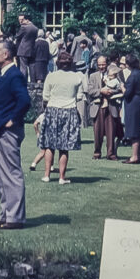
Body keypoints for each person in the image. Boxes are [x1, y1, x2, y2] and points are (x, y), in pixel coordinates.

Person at [0, 40, 31, 230]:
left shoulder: (14, 75)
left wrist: (12, 119)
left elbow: (24, 100)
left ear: (6, 55)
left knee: (11, 173)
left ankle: (15, 217)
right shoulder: (6, 75)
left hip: (7, 130)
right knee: (2, 174)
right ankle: (6, 214)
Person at [38, 51, 86, 184]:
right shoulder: (77, 77)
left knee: (49, 145)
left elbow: (45, 97)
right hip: (69, 111)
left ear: (58, 63)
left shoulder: (51, 76)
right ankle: (61, 177)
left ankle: (47, 175)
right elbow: (80, 97)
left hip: (52, 109)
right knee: (64, 147)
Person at [87, 56, 122, 160]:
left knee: (111, 131)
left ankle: (111, 154)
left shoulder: (114, 74)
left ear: (107, 64)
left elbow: (120, 88)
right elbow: (89, 90)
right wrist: (101, 91)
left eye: (103, 64)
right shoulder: (93, 76)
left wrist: (111, 92)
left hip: (111, 106)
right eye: (99, 65)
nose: (101, 66)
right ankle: (97, 153)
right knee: (97, 132)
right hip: (98, 107)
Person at [121, 54, 140, 164]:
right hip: (138, 101)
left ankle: (134, 156)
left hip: (133, 103)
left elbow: (127, 93)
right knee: (138, 130)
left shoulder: (133, 76)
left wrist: (122, 87)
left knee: (133, 130)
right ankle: (138, 155)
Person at [14, 14, 38, 81]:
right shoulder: (35, 28)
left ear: (27, 20)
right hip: (32, 49)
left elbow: (17, 36)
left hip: (23, 50)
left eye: (22, 20)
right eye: (19, 20)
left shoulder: (24, 27)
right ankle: (33, 82)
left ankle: (23, 81)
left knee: (23, 67)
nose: (21, 21)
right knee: (32, 67)